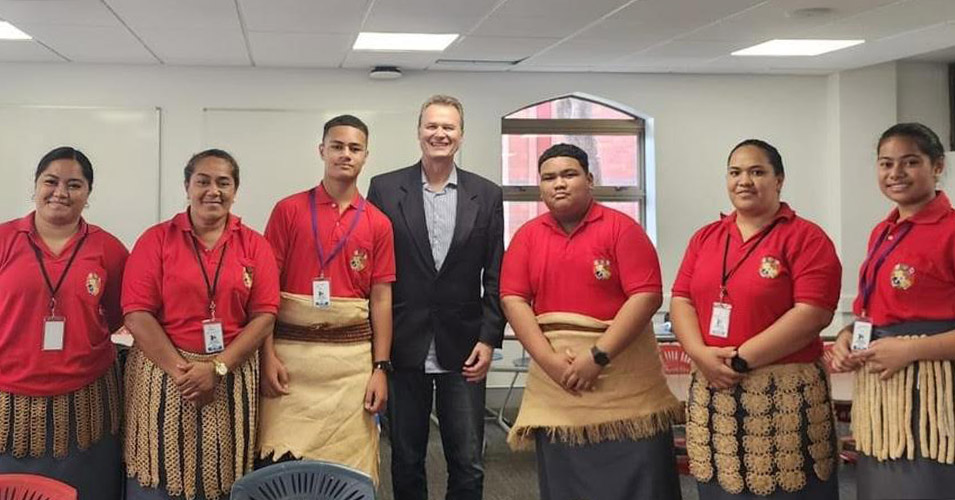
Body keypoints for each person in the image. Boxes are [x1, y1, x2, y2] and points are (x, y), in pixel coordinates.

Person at [501, 143, 684, 500]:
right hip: (559, 388)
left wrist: (598, 356)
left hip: (627, 390)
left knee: (643, 485)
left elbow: (646, 296)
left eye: (569, 174)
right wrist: (550, 361)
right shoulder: (527, 236)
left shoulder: (622, 229)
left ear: (590, 179)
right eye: (549, 178)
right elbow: (513, 299)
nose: (559, 184)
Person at [671, 139, 842, 499]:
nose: (744, 181)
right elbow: (681, 299)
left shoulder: (806, 237)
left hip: (784, 398)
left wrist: (740, 360)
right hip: (714, 392)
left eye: (757, 172)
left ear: (779, 180)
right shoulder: (706, 237)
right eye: (735, 172)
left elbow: (813, 313)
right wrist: (700, 354)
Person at [367, 94, 505, 500]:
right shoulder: (385, 189)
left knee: (468, 460)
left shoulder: (487, 194)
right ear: (419, 132)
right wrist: (376, 351)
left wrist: (488, 338)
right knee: (406, 457)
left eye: (448, 127)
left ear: (461, 135)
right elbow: (374, 275)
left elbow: (496, 273)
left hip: (464, 346)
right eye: (432, 126)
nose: (439, 133)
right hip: (403, 343)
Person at [123, 149, 279, 500]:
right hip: (163, 376)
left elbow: (264, 316)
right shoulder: (156, 239)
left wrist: (217, 368)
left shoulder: (254, 244)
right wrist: (184, 373)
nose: (213, 191)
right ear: (187, 186)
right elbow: (136, 313)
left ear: (235, 190)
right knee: (160, 473)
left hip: (231, 375)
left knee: (221, 476)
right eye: (203, 181)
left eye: (223, 183)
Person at [257, 114, 395, 483]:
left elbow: (381, 299)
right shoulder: (288, 211)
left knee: (346, 472)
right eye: (337, 146)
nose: (345, 154)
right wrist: (266, 355)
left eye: (354, 148)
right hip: (290, 362)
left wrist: (381, 368)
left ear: (365, 156)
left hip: (350, 367)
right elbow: (266, 292)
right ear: (322, 150)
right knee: (282, 468)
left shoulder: (378, 223)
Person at [828, 123, 955, 500]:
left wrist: (911, 349)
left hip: (934, 392)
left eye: (910, 162)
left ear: (937, 166)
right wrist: (847, 338)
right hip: (882, 394)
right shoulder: (883, 231)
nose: (895, 173)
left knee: (927, 484)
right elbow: (875, 309)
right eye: (886, 163)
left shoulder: (951, 230)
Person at [0, 147, 127, 500]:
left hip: (86, 402)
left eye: (74, 185)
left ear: (87, 194)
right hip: (10, 402)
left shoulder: (108, 248)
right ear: (35, 186)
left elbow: (118, 314)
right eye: (51, 181)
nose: (61, 192)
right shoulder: (5, 239)